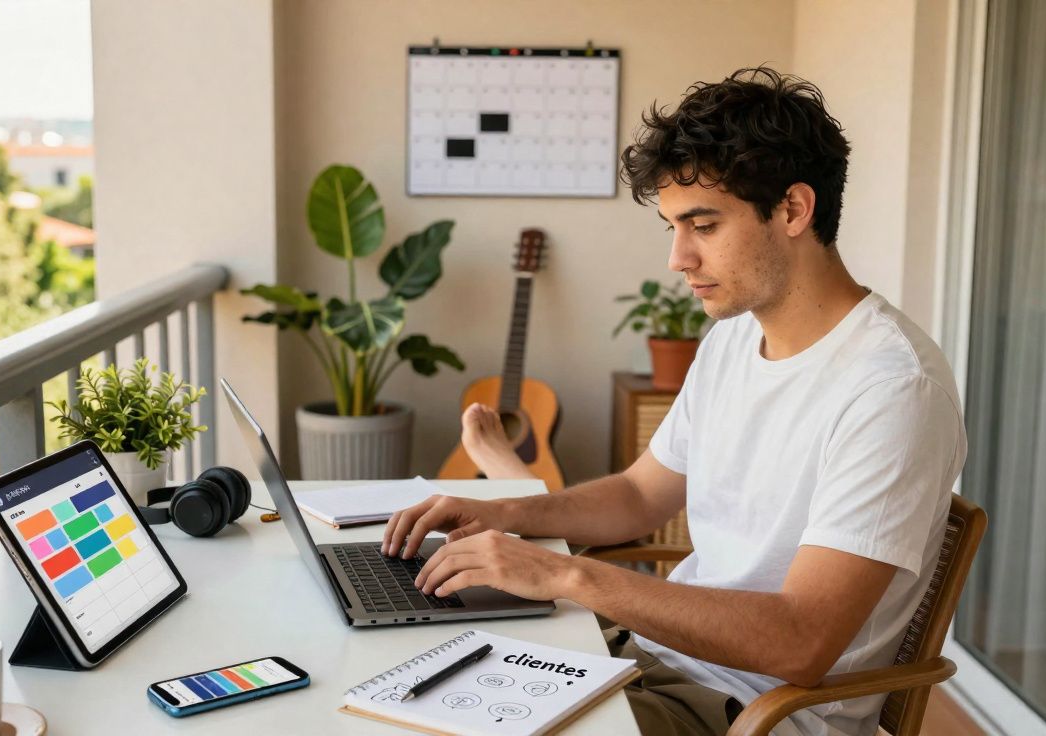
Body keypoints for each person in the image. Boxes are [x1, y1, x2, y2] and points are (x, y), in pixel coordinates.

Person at [383, 67, 966, 736]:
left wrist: (564, 576)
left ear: (793, 210)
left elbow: (801, 641)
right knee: (406, 665)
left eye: (703, 225)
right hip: (651, 657)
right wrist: (503, 510)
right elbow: (639, 496)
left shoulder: (893, 390)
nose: (678, 258)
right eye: (673, 227)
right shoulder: (733, 339)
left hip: (747, 711)